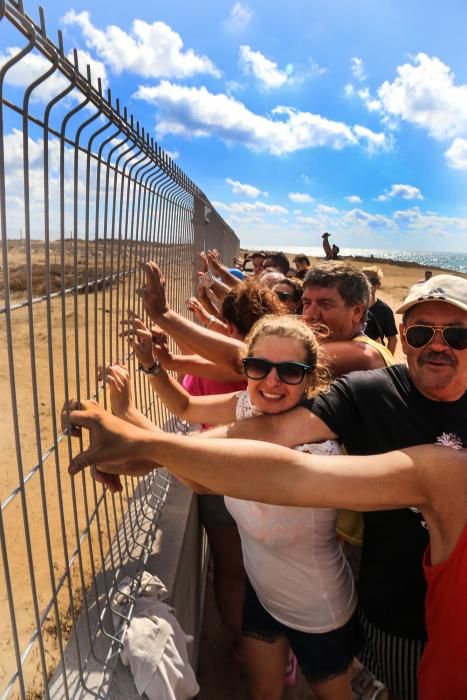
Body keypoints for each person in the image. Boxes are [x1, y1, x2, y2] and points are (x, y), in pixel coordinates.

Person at [65, 276, 467, 699]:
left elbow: (273, 472)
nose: (439, 345)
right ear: (405, 335)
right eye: (423, 332)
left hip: (331, 611)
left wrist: (142, 441)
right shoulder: (368, 395)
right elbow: (251, 434)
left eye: (457, 334)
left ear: (310, 378)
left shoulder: (429, 454)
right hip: (371, 608)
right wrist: (136, 439)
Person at [106, 315, 360, 700]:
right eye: (259, 367)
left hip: (318, 610)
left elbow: (198, 476)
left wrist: (128, 417)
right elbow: (187, 406)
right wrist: (152, 366)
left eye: (290, 372)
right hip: (262, 593)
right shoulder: (247, 407)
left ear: (310, 379)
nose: (272, 382)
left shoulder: (315, 452)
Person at [361, 266, 398, 353]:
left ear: (378, 285)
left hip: (375, 357)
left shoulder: (385, 310)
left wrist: (387, 363)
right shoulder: (351, 307)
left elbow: (393, 340)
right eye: (364, 281)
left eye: (372, 282)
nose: (368, 285)